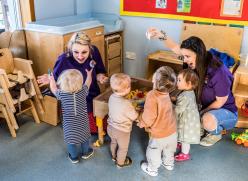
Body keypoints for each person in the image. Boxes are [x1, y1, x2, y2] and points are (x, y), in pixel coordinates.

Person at [147, 28, 238, 147]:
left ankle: (216, 132)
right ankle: (202, 123)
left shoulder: (218, 71)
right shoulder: (193, 61)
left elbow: (221, 101)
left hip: (226, 110)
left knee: (207, 120)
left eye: (187, 56)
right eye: (184, 56)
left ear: (199, 55)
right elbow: (175, 48)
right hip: (202, 106)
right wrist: (160, 35)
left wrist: (199, 113)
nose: (184, 59)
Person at [37, 32, 108, 133]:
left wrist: (100, 77)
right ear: (70, 49)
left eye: (84, 52)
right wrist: (51, 79)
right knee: (89, 130)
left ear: (90, 49)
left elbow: (98, 72)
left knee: (105, 125)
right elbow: (56, 83)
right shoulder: (63, 59)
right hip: (74, 104)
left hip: (93, 97)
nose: (80, 56)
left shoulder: (94, 52)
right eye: (76, 52)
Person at [138, 66, 177, 177]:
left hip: (159, 134)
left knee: (154, 151)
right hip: (172, 131)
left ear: (155, 81)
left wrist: (142, 123)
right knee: (169, 150)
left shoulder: (152, 95)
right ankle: (169, 164)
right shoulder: (166, 93)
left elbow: (149, 116)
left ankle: (152, 169)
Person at [49, 69, 94, 164]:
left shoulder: (62, 94)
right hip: (83, 124)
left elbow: (53, 89)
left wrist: (51, 79)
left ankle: (74, 157)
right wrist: (89, 74)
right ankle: (86, 153)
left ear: (62, 84)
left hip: (69, 126)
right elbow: (88, 82)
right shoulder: (83, 91)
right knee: (85, 139)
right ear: (80, 83)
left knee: (71, 142)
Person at [107, 73, 139, 168]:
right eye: (129, 86)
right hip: (122, 131)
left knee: (113, 142)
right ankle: (120, 163)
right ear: (126, 89)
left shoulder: (111, 97)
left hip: (111, 127)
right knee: (123, 148)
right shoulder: (126, 103)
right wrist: (137, 113)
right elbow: (134, 116)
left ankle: (113, 156)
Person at [175, 69, 200, 161]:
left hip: (187, 122)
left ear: (188, 84)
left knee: (185, 138)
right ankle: (180, 142)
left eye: (179, 80)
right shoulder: (189, 92)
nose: (177, 82)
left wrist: (170, 109)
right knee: (182, 134)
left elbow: (178, 109)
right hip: (190, 118)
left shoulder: (184, 96)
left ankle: (185, 154)